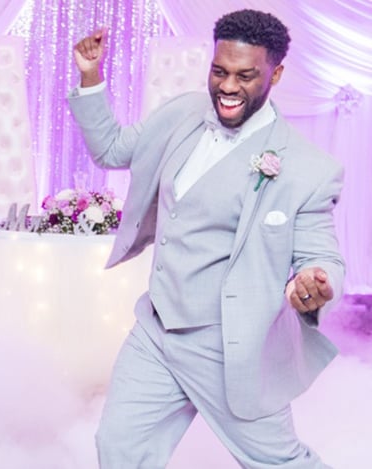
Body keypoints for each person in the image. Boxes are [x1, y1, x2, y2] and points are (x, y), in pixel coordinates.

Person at [69, 9, 344, 468]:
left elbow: (320, 255)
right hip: (156, 330)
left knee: (280, 462)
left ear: (275, 74)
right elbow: (112, 149)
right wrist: (91, 76)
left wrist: (314, 286)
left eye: (245, 75)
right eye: (219, 71)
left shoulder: (308, 168)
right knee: (119, 449)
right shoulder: (183, 112)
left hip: (229, 347)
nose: (228, 86)